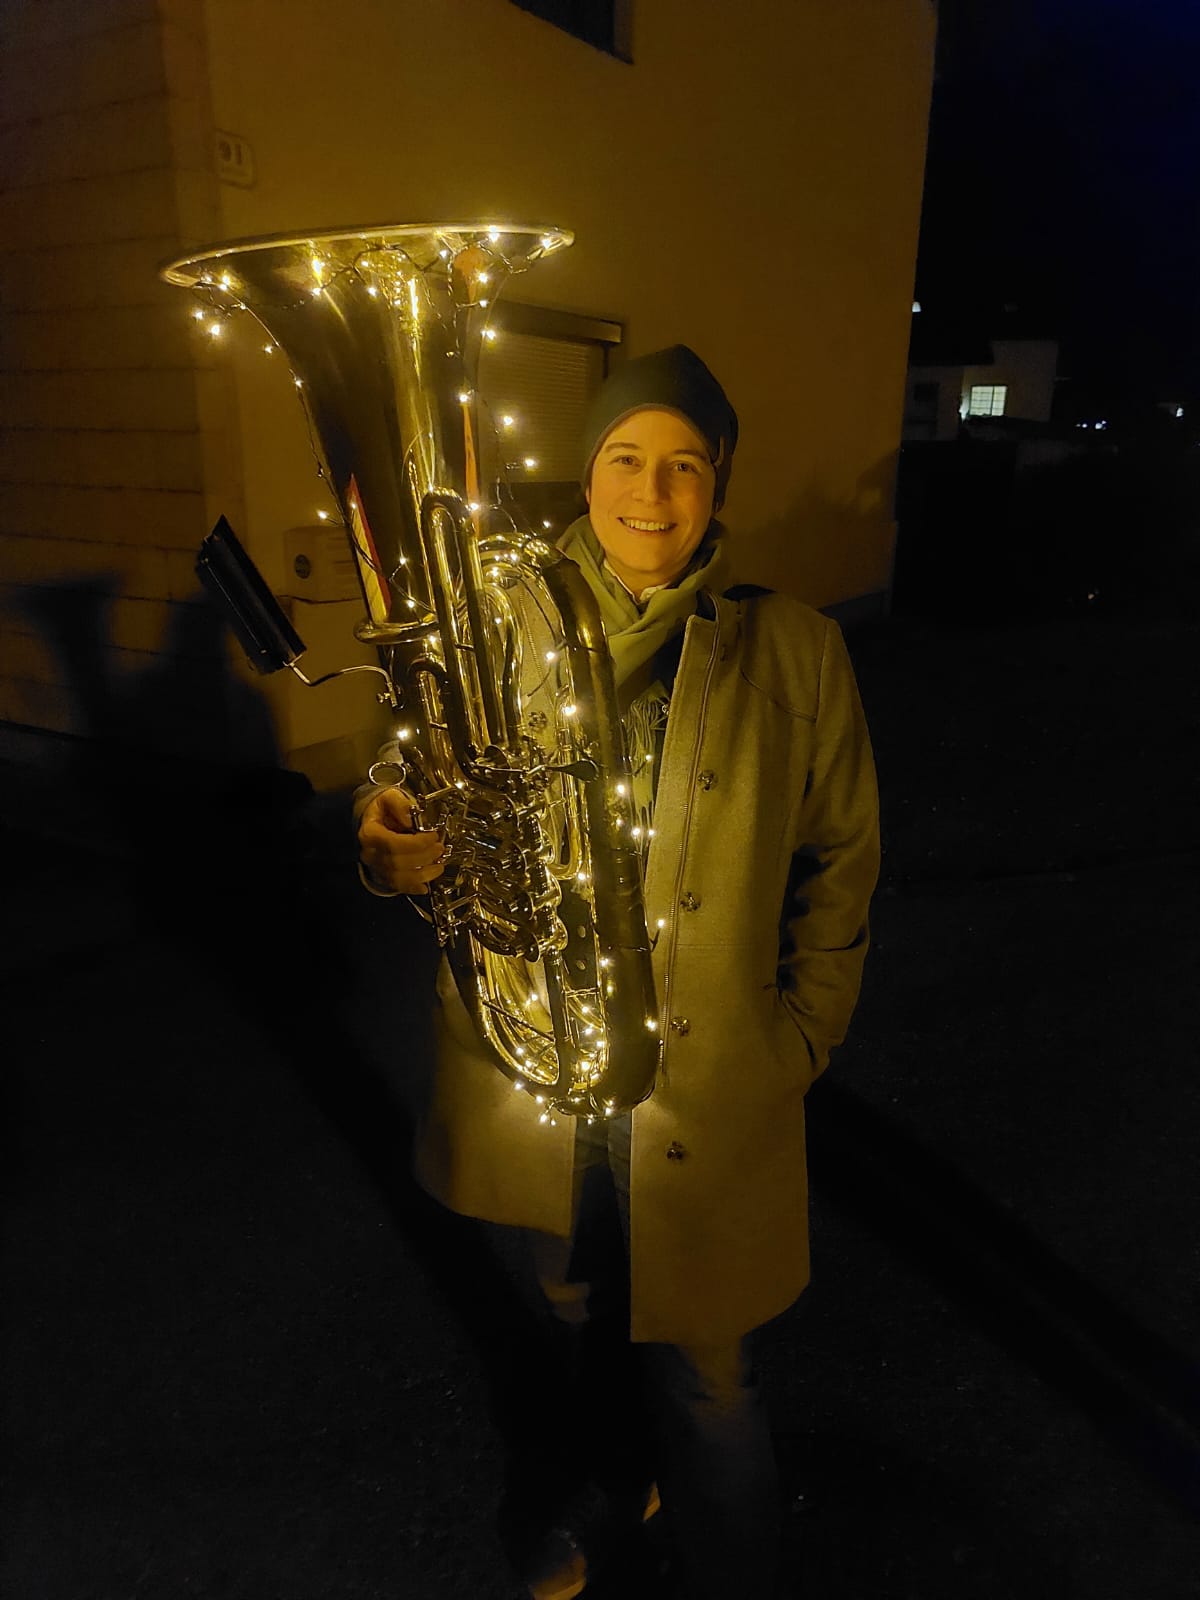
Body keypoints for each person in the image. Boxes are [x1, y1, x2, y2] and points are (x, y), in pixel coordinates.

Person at [356, 345, 880, 1598]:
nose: (654, 490)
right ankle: (605, 1487)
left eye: (685, 464)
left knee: (710, 1362)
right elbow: (406, 775)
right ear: (588, 475)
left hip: (711, 1076)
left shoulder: (794, 647)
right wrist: (388, 832)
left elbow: (845, 854)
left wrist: (803, 1033)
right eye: (628, 458)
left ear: (717, 486)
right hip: (536, 1069)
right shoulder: (499, 626)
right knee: (576, 1307)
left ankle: (734, 1565)